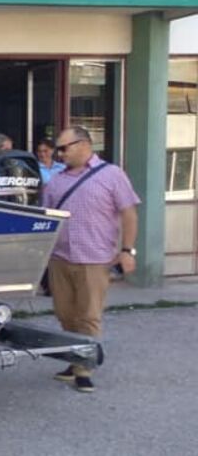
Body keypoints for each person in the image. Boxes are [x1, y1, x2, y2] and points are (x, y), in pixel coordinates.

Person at [41, 126, 140, 393]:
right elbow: (45, 217)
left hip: (94, 259)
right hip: (60, 258)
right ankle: (75, 359)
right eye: (58, 149)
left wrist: (127, 250)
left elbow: (129, 214)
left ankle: (84, 369)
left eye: (64, 148)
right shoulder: (56, 180)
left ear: (84, 144)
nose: (60, 154)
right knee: (65, 313)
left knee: (88, 315)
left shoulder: (111, 175)